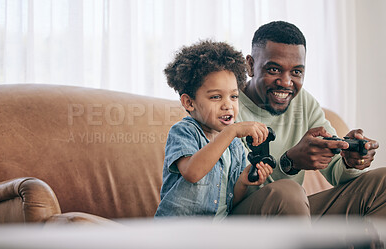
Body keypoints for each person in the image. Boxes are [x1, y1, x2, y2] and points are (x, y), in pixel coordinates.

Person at [232, 20, 386, 219]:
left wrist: (349, 162)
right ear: (251, 65)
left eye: (296, 72)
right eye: (274, 70)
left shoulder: (303, 102)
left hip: (294, 213)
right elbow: (232, 187)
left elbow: (337, 173)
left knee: (382, 182)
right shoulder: (228, 104)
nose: (286, 82)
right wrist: (289, 163)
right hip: (244, 217)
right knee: (289, 192)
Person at [154, 40, 274, 219]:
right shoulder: (184, 132)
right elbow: (192, 172)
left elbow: (230, 200)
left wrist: (243, 181)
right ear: (189, 102)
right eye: (216, 97)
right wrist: (231, 131)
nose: (228, 105)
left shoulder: (235, 146)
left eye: (234, 96)